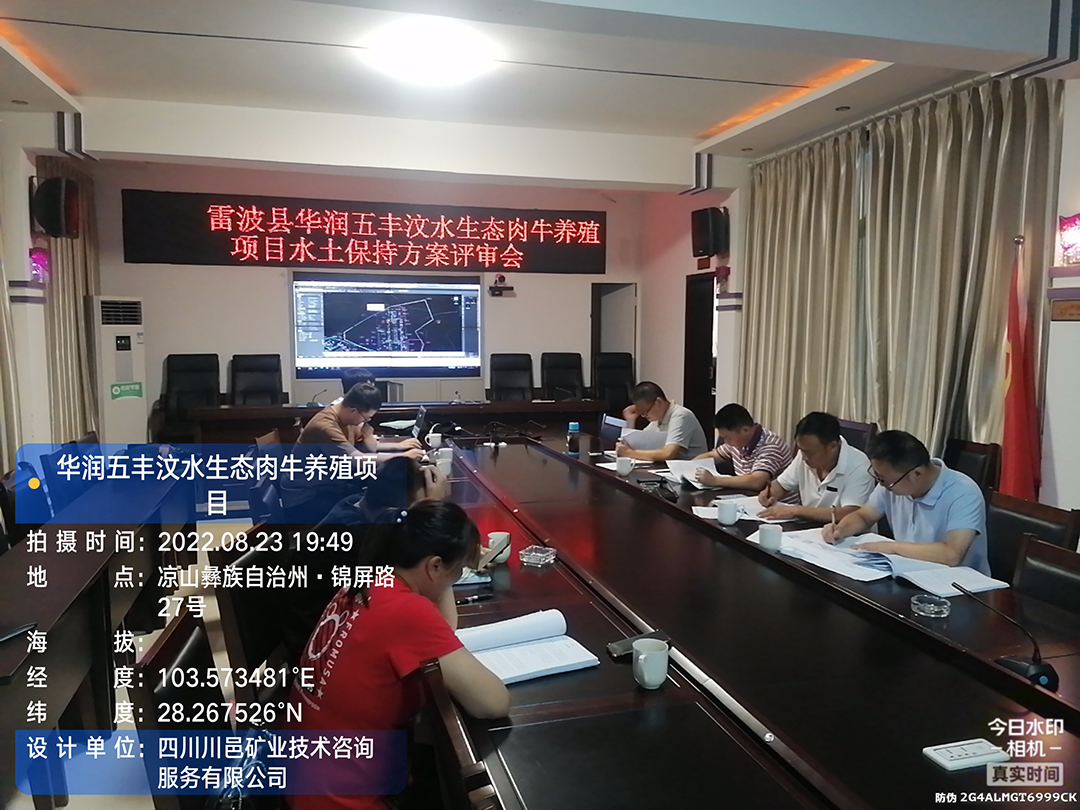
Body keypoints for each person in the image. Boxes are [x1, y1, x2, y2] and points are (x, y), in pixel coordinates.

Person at [289, 500, 510, 810]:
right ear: (434, 566)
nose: (459, 577)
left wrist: (443, 566)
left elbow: (442, 628)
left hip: (307, 785)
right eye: (459, 570)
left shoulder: (368, 583)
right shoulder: (406, 610)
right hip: (346, 802)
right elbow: (493, 703)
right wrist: (444, 570)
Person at [279, 456, 450, 663]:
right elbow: (431, 601)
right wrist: (434, 512)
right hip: (320, 650)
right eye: (415, 514)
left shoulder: (357, 504)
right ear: (392, 513)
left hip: (323, 628)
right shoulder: (358, 538)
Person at [821, 430, 990, 573]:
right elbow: (864, 516)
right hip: (908, 572)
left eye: (884, 480)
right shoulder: (894, 481)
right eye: (878, 477)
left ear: (916, 474)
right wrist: (841, 529)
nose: (882, 485)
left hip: (958, 586)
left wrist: (893, 548)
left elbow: (952, 554)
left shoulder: (963, 492)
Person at [757, 412, 876, 522]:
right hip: (809, 529)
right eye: (801, 450)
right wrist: (771, 493)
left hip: (846, 534)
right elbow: (782, 485)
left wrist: (796, 510)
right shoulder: (804, 455)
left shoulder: (859, 466)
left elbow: (852, 513)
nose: (804, 458)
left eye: (809, 453)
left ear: (833, 447)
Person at [299, 382, 424, 458]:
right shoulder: (325, 426)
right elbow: (357, 459)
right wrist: (403, 456)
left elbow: (370, 447)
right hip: (310, 490)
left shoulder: (348, 418)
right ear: (353, 411)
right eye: (367, 418)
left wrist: (398, 446)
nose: (366, 421)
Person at [692, 403, 794, 491]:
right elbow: (712, 455)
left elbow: (756, 482)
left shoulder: (770, 445)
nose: (726, 442)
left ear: (745, 430)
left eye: (728, 438)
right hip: (748, 498)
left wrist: (714, 480)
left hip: (778, 504)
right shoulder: (738, 442)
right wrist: (688, 466)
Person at [614, 381, 708, 461]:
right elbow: (639, 444)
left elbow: (668, 453)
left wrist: (629, 453)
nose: (644, 416)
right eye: (641, 413)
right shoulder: (657, 419)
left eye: (646, 412)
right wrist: (630, 421)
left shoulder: (680, 416)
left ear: (658, 402)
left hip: (692, 471)